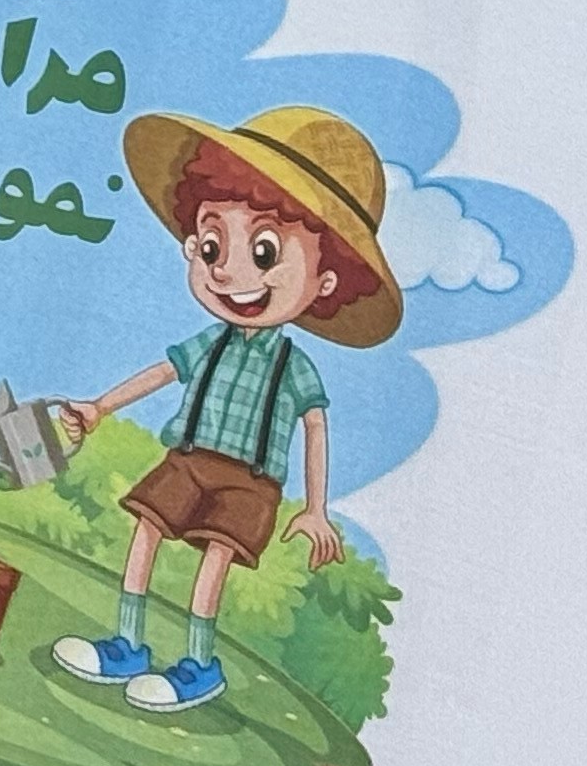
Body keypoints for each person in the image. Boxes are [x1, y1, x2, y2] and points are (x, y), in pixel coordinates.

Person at [49, 104, 399, 715]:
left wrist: (316, 508)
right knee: (146, 530)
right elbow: (164, 372)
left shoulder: (294, 367)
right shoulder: (209, 343)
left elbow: (315, 428)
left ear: (325, 282)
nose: (228, 271)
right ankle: (126, 644)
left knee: (215, 560)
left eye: (263, 252)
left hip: (249, 481)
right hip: (187, 459)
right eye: (212, 245)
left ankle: (199, 665)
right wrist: (100, 407)